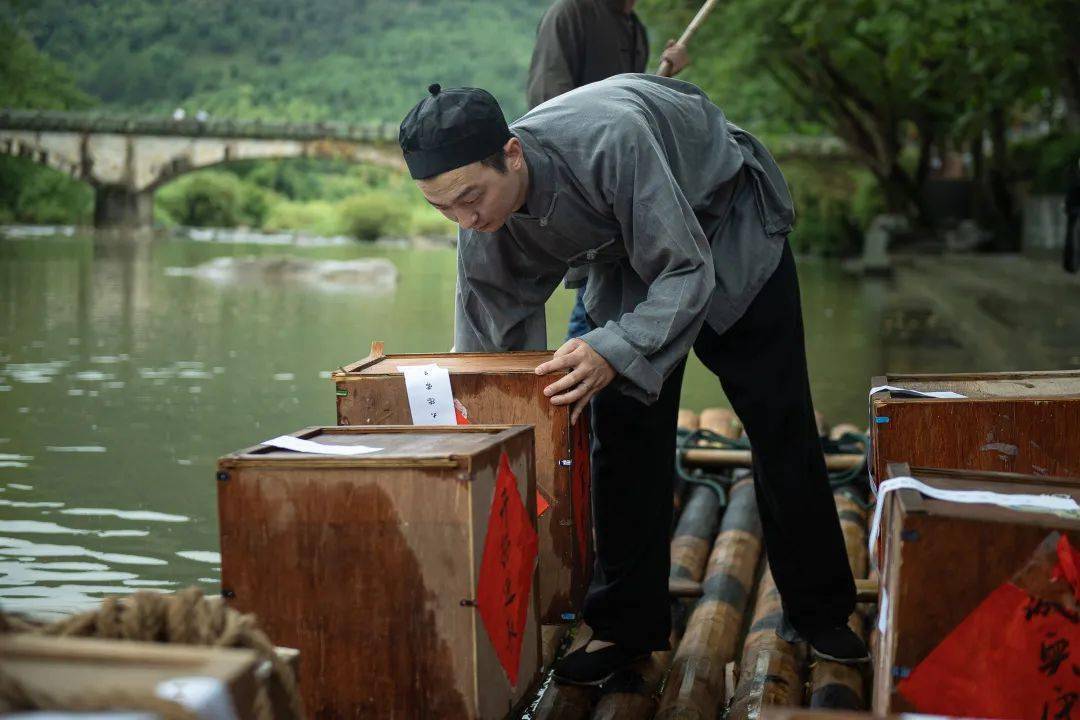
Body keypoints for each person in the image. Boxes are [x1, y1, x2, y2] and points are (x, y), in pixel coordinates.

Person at [398, 76, 868, 685]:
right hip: (625, 262)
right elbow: (488, 352)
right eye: (442, 209)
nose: (466, 219)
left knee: (778, 420)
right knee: (619, 436)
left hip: (722, 229)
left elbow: (686, 270)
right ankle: (625, 627)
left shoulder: (610, 140)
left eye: (470, 197)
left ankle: (820, 611)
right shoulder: (482, 220)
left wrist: (614, 348)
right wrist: (486, 444)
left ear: (511, 153)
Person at [527, 0, 689, 340]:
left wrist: (662, 78)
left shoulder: (634, 27)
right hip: (582, 197)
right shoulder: (571, 13)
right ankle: (574, 388)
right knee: (592, 307)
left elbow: (630, 108)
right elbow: (547, 108)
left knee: (617, 307)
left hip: (627, 199)